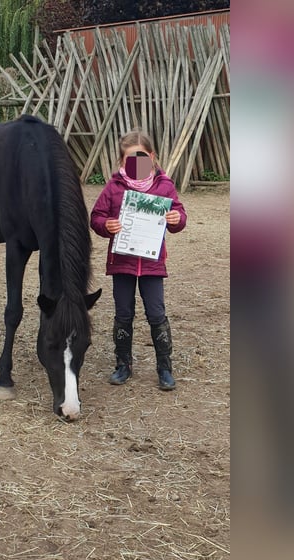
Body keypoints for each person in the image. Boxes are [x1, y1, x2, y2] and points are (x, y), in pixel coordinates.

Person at [90, 130, 187, 390]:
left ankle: (164, 368)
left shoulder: (164, 186)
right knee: (123, 314)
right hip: (122, 263)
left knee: (156, 314)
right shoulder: (113, 188)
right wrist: (105, 225)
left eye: (141, 159)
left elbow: (178, 213)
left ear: (152, 157)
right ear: (122, 162)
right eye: (129, 160)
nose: (135, 164)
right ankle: (123, 364)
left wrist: (177, 220)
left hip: (152, 266)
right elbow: (96, 217)